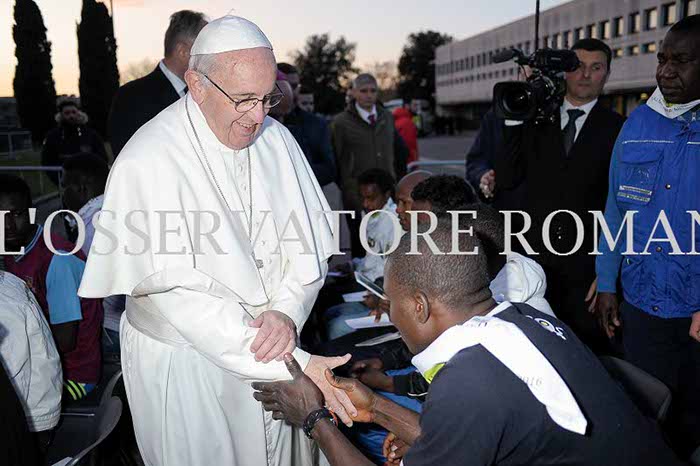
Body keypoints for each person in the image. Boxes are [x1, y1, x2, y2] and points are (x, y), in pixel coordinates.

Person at [78, 16, 356, 466]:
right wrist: (295, 362)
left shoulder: (277, 139)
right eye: (244, 99)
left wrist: (286, 312)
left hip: (280, 343)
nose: (259, 116)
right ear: (197, 84)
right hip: (190, 369)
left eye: (268, 98)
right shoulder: (148, 159)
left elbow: (306, 252)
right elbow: (180, 298)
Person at [252, 221, 683, 466]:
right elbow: (475, 430)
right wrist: (377, 407)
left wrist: (313, 418)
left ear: (419, 306)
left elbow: (472, 407)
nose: (393, 315)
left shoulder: (469, 379)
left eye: (392, 303)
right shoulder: (520, 321)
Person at [595, 15, 700, 461]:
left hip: (694, 312)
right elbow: (616, 210)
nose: (665, 71)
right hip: (641, 307)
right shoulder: (636, 124)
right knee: (647, 418)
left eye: (681, 61)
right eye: (661, 59)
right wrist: (606, 282)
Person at [495, 38, 625, 352]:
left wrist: (609, 273)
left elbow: (623, 206)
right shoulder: (534, 119)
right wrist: (514, 118)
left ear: (607, 74)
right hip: (533, 268)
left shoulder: (621, 128)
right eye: (577, 66)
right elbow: (508, 178)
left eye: (596, 67)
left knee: (586, 357)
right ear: (564, 70)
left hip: (587, 271)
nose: (585, 75)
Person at [1, 174, 103, 402]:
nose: (7, 225)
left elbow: (65, 341)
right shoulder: (12, 247)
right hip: (40, 361)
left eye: (16, 214)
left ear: (31, 212)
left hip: (75, 374)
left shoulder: (58, 260)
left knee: (9, 409)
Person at [108, 10, 207, 157]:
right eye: (206, 48)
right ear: (183, 52)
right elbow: (130, 160)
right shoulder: (131, 98)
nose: (211, 56)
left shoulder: (205, 95)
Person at [61, 153, 124, 358]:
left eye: (64, 187)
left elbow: (86, 287)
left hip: (110, 329)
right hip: (124, 324)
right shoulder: (117, 211)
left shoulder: (94, 227)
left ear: (81, 188)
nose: (62, 194)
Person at [325, 168, 398, 340]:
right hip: (367, 283)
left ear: (387, 195)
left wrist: (379, 295)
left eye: (371, 198)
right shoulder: (373, 216)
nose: (365, 204)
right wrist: (353, 265)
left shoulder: (392, 223)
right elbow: (372, 259)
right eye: (363, 198)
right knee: (328, 306)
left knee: (333, 318)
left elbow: (387, 270)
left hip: (376, 290)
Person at [333, 73, 400, 257]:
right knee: (361, 244)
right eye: (363, 91)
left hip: (387, 194)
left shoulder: (387, 117)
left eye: (373, 90)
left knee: (390, 241)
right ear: (354, 92)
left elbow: (397, 152)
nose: (369, 95)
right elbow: (337, 158)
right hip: (357, 196)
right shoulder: (341, 123)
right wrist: (348, 186)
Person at [0, 270, 62, 455]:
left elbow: (11, 382)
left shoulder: (5, 305)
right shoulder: (7, 279)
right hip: (31, 408)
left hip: (30, 422)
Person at [277, 63, 336, 187]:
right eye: (285, 86)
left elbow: (329, 170)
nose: (290, 92)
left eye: (294, 86)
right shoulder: (255, 123)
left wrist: (295, 174)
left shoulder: (316, 124)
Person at [41, 99, 107, 185]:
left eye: (73, 112)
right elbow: (47, 161)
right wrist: (60, 180)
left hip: (89, 183)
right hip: (65, 184)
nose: (71, 116)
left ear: (79, 113)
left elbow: (102, 158)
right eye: (67, 113)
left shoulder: (91, 135)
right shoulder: (53, 136)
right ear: (61, 115)